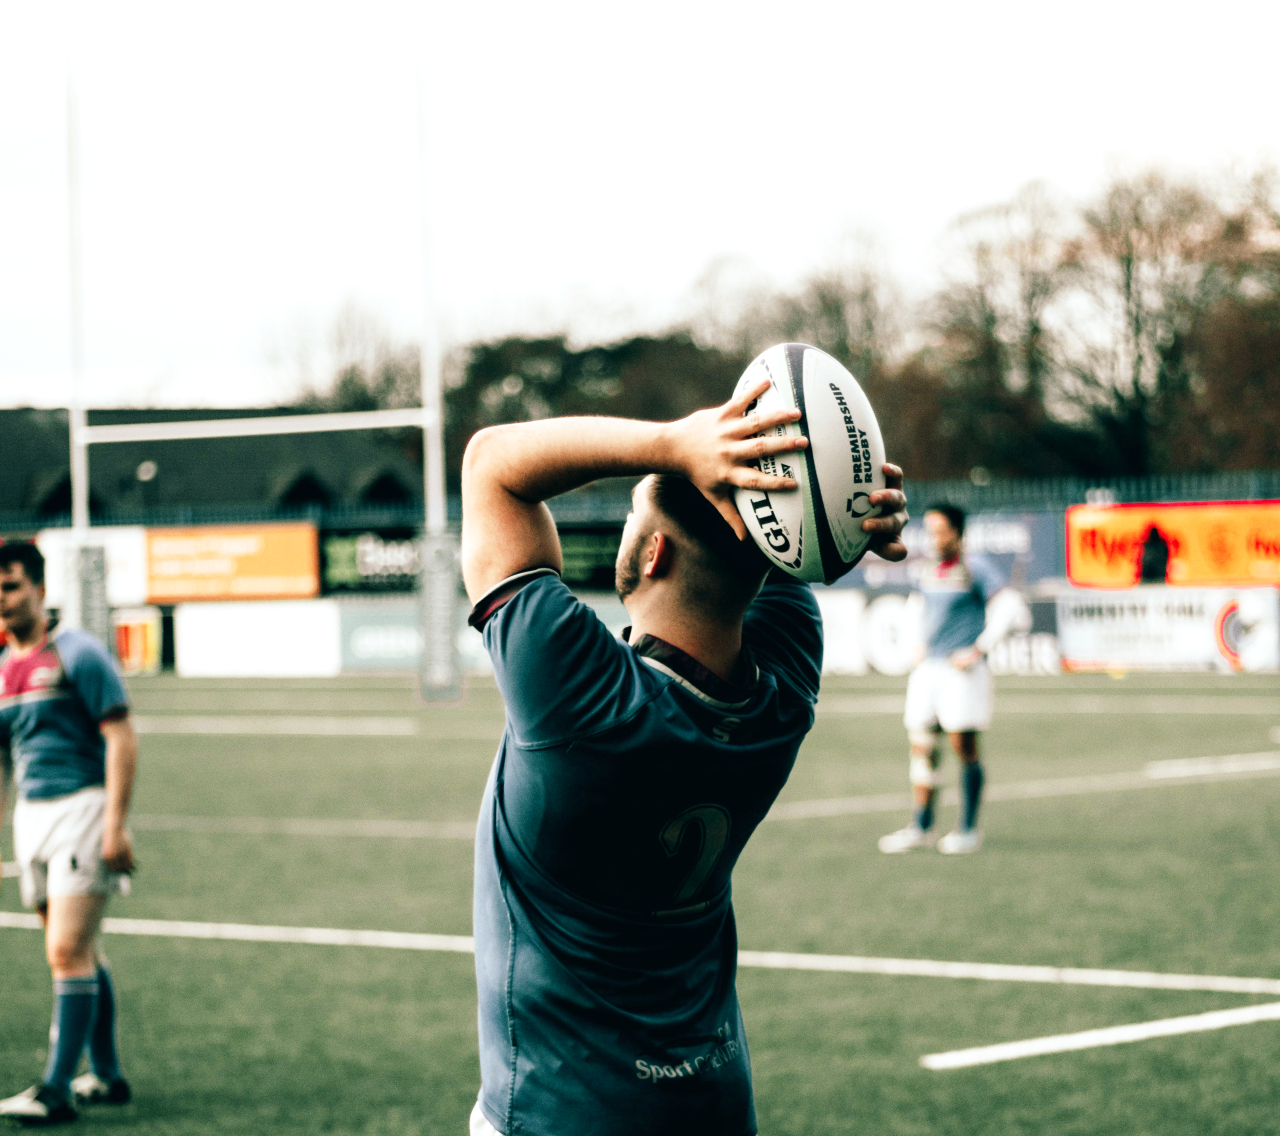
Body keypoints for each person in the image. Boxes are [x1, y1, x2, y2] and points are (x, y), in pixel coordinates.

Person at [461, 379, 908, 1136]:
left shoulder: (583, 700)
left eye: (638, 512)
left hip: (565, 1114)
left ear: (653, 551)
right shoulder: (781, 694)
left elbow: (490, 463)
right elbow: (780, 563)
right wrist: (831, 507)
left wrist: (672, 443)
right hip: (713, 1106)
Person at [0, 541, 137, 1126]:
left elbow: (121, 736)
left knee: (65, 950)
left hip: (82, 809)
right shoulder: (3, 666)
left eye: (10, 586)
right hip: (30, 816)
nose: (2, 599)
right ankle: (105, 1076)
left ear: (38, 588)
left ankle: (55, 1088)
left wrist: (115, 824)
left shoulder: (77, 652)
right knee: (77, 951)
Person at [878, 504, 1029, 856]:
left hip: (961, 673)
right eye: (930, 531)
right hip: (928, 669)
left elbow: (1009, 608)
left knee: (964, 746)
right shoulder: (928, 569)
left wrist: (978, 649)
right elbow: (917, 608)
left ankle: (967, 829)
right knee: (922, 745)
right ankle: (921, 826)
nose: (935, 538)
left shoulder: (975, 568)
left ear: (958, 533)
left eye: (941, 530)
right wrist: (914, 644)